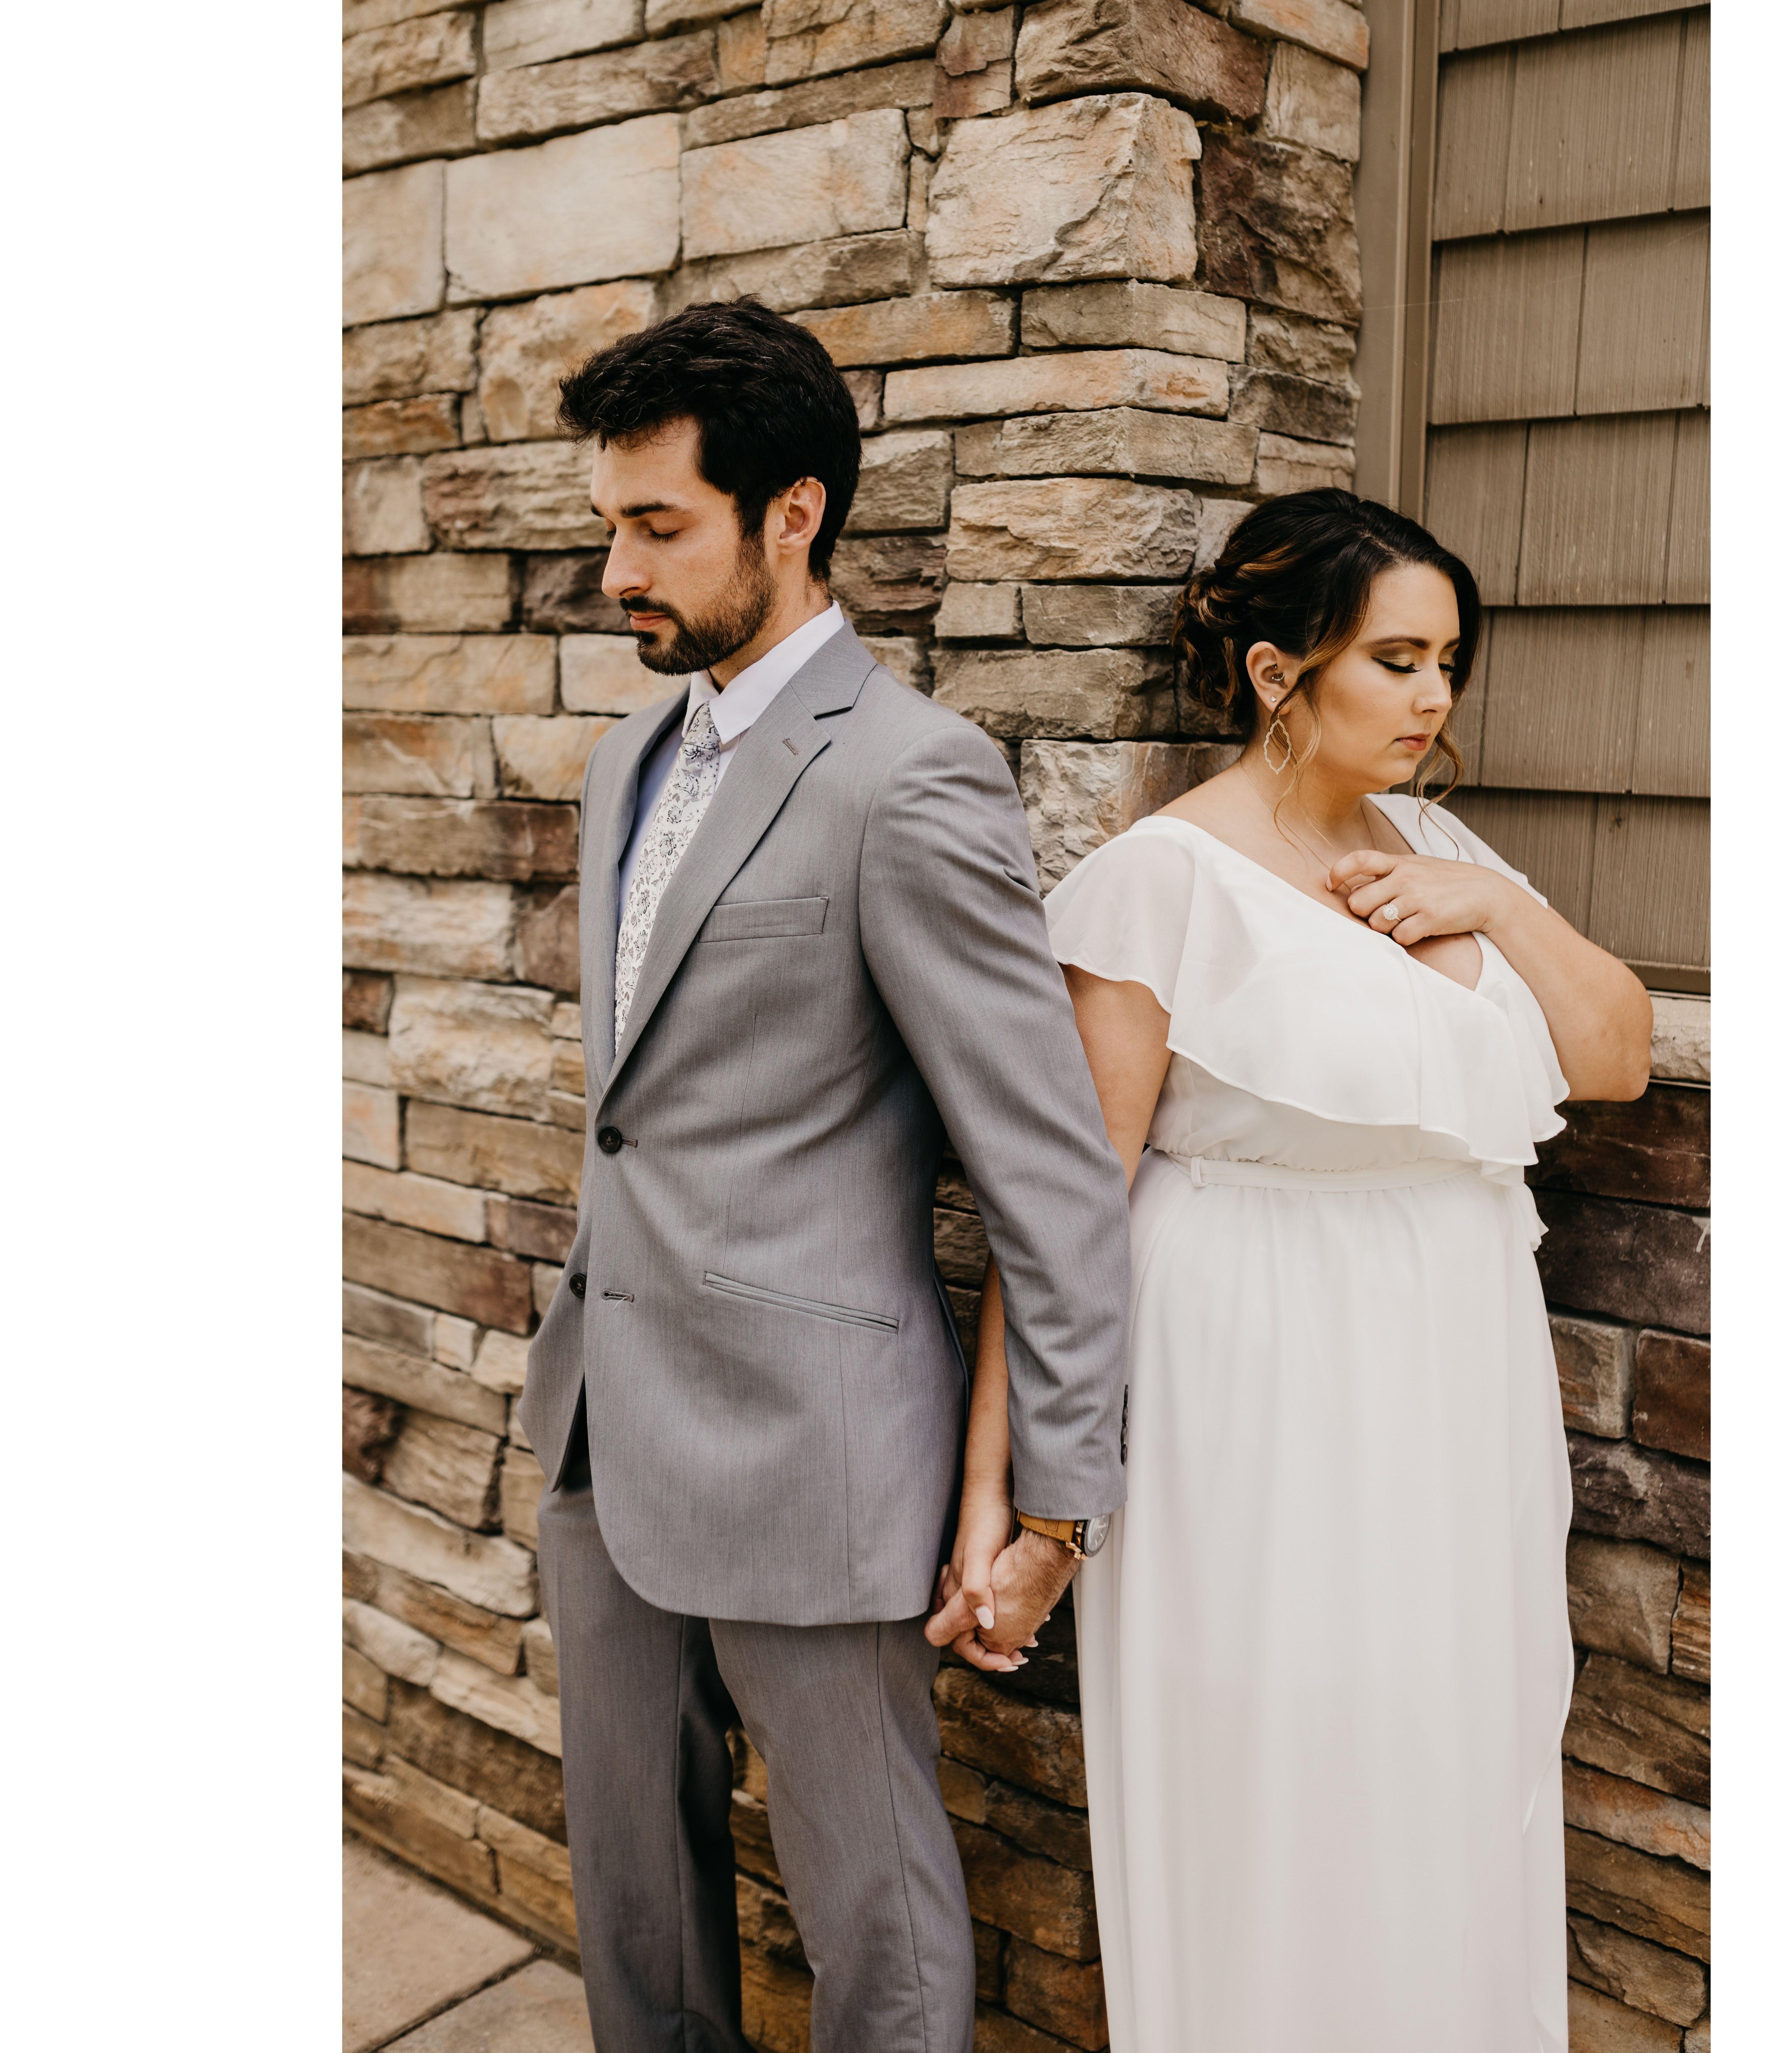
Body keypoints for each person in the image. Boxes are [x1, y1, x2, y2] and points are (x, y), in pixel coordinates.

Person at [938, 492, 1653, 2050]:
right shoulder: (1157, 882)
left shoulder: (1439, 845)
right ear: (1275, 669)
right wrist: (1006, 1497)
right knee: (1283, 1763)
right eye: (1393, 659)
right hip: (1261, 1366)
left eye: (1445, 661)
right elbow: (1063, 1207)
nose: (1431, 698)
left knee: (1454, 1748)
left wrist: (1498, 903)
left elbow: (1611, 1056)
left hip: (1455, 1366)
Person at [518, 299, 1132, 2053]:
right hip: (603, 1423)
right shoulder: (632, 751)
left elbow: (1047, 1167)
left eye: (657, 527)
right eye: (608, 521)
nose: (614, 566)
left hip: (818, 1445)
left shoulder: (910, 777)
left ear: (792, 514)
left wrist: (1054, 1509)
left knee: (876, 1913)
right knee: (632, 1886)